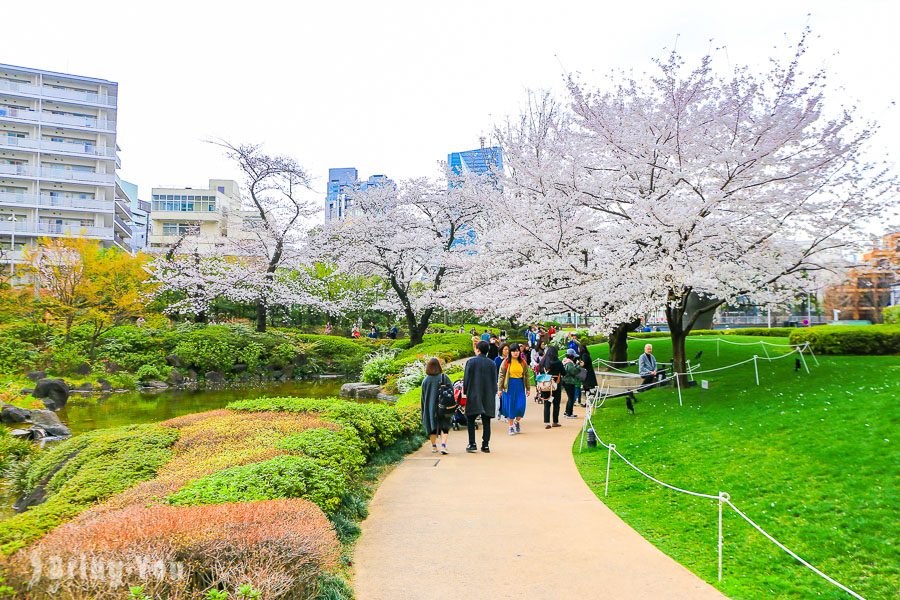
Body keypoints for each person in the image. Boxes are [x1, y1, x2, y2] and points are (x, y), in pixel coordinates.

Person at [462, 341, 498, 453]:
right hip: (488, 394)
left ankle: (472, 444)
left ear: (477, 349)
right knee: (486, 420)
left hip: (474, 393)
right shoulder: (492, 363)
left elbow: (466, 379)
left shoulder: (471, 362)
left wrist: (466, 391)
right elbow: (494, 380)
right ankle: (485, 445)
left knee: (471, 419)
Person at [421, 358, 452, 455]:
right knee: (444, 426)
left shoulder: (425, 380)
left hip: (430, 408)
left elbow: (423, 397)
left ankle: (434, 447)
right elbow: (451, 391)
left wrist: (423, 410)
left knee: (432, 427)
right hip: (443, 406)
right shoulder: (444, 377)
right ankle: (443, 446)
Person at [498, 343, 530, 435]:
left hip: (520, 385)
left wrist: (528, 388)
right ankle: (511, 426)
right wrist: (499, 389)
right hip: (509, 386)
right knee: (510, 406)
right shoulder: (506, 362)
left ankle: (517, 422)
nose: (515, 353)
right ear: (510, 352)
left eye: (517, 351)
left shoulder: (523, 362)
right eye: (513, 351)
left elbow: (527, 376)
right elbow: (501, 375)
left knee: (521, 406)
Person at [539, 345, 564, 429]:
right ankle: (555, 421)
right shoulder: (558, 362)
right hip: (556, 386)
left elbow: (540, 371)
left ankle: (547, 422)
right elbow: (564, 373)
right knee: (556, 404)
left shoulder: (543, 362)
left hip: (546, 386)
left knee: (547, 404)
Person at [562, 348, 581, 419]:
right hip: (569, 382)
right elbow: (573, 372)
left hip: (566, 381)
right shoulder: (569, 363)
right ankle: (568, 413)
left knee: (570, 397)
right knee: (571, 398)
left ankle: (568, 412)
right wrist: (578, 366)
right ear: (571, 356)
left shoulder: (565, 361)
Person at [577, 341, 598, 407]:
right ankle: (588, 403)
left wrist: (578, 363)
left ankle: (590, 403)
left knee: (589, 389)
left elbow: (583, 364)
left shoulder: (584, 355)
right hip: (588, 374)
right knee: (587, 389)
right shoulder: (585, 355)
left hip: (588, 375)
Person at [493, 344, 509, 419]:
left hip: (508, 381)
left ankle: (506, 415)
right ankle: (500, 410)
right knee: (501, 397)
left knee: (507, 398)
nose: (507, 351)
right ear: (501, 350)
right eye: (505, 349)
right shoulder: (497, 359)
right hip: (500, 381)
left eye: (508, 349)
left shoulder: (510, 359)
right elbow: (495, 371)